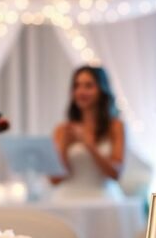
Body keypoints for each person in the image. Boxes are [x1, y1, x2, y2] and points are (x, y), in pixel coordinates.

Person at [50, 65, 126, 201]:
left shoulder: (115, 126)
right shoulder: (63, 129)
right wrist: (64, 145)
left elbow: (116, 174)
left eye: (88, 86)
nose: (81, 91)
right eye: (77, 86)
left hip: (103, 198)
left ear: (102, 90)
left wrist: (89, 145)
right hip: (67, 199)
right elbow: (54, 180)